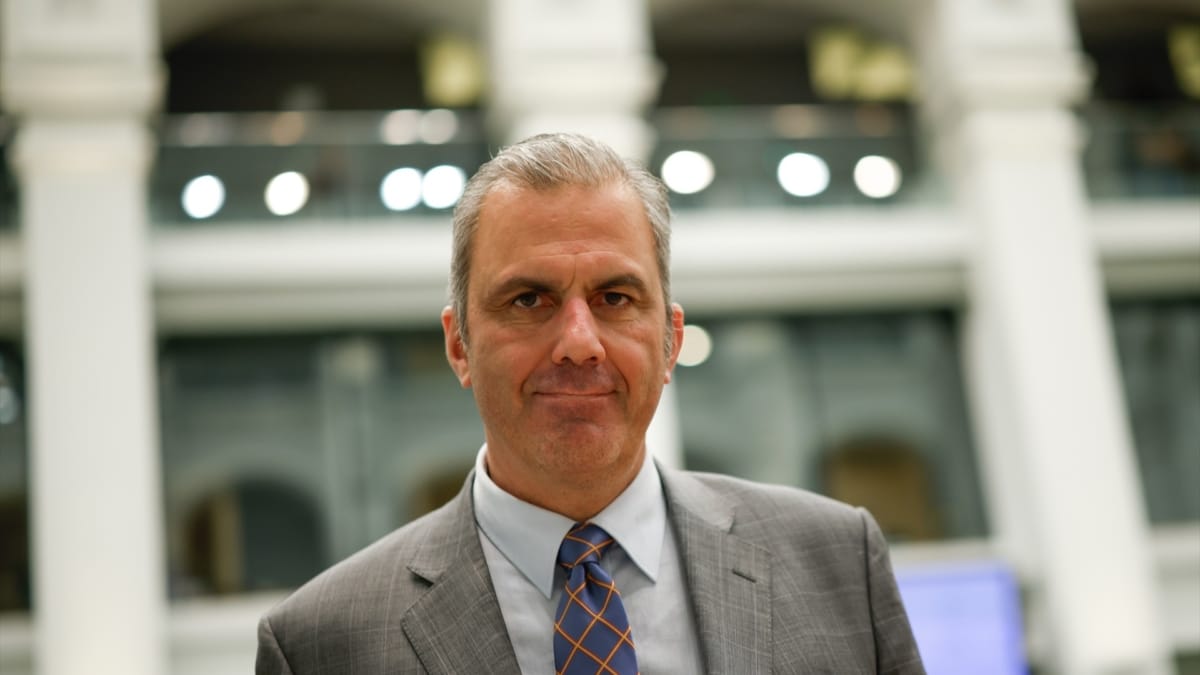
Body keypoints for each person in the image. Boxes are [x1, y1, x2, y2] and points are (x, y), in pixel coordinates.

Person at [256, 133, 925, 674]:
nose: (579, 342)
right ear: (459, 345)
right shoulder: (320, 645)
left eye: (615, 298)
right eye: (528, 300)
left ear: (670, 341)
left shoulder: (839, 563)